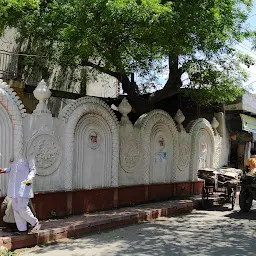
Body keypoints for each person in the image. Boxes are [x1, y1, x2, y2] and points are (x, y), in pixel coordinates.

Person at [0, 156, 40, 233]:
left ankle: (35, 223)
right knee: (16, 209)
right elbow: (13, 170)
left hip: (24, 186)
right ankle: (22, 230)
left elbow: (33, 170)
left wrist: (29, 179)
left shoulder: (28, 155)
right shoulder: (14, 156)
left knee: (22, 207)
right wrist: (5, 170)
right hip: (14, 187)